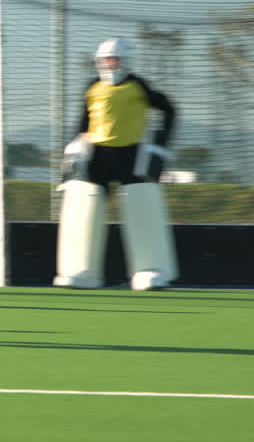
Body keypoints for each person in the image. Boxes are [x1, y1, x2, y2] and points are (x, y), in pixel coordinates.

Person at [54, 37, 179, 291]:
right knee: (84, 204)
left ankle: (151, 270)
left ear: (126, 61)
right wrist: (76, 144)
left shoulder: (138, 86)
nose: (110, 65)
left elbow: (169, 109)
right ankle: (81, 271)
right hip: (96, 155)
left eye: (115, 60)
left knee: (141, 205)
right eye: (106, 61)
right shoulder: (93, 87)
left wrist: (160, 144)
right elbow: (84, 120)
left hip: (131, 155)